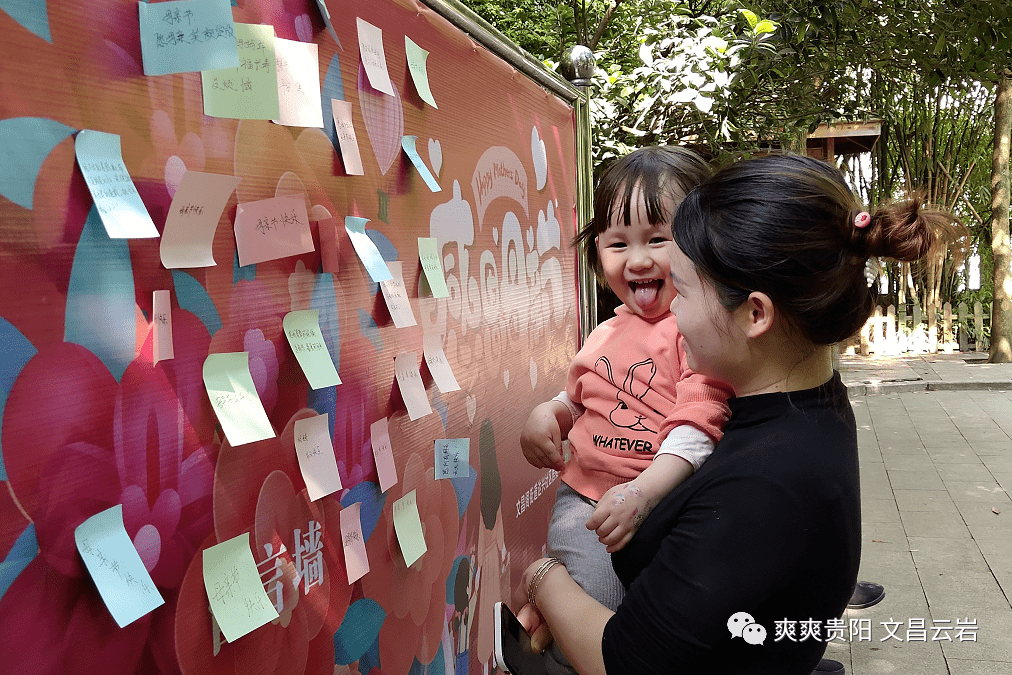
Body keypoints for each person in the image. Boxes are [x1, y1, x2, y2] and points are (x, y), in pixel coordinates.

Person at [518, 153, 952, 675]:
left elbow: (624, 662)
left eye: (684, 287)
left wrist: (544, 580)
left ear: (755, 313)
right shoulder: (801, 400)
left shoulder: (763, 484)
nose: (670, 313)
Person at [520, 146, 733, 673]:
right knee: (593, 617)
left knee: (634, 636)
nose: (637, 259)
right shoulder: (607, 330)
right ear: (597, 254)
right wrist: (547, 415)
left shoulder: (696, 330)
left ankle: (542, 626)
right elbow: (580, 395)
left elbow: (699, 422)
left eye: (658, 239)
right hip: (587, 504)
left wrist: (643, 492)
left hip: (658, 504)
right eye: (617, 243)